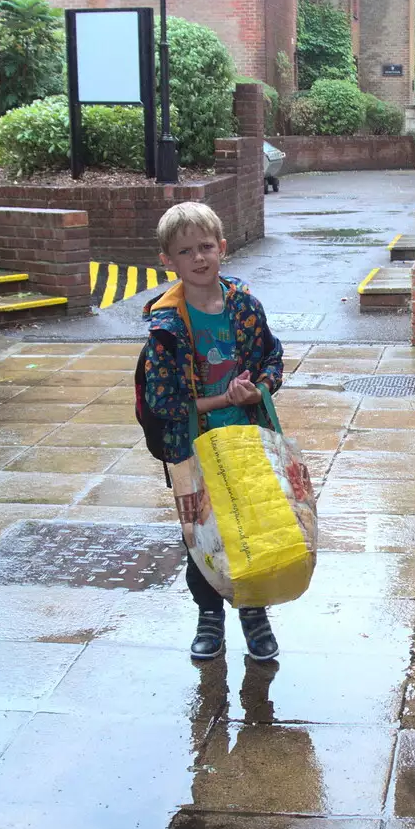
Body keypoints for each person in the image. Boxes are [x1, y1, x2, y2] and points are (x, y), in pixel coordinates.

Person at [141, 202, 284, 662]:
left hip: (247, 440)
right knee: (201, 534)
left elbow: (272, 359)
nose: (198, 258)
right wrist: (224, 398)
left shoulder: (244, 305)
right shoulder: (164, 328)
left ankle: (253, 612)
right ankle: (209, 616)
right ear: (168, 260)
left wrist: (257, 389)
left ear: (222, 248)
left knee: (252, 529)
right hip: (192, 450)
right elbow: (163, 402)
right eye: (185, 252)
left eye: (206, 247)